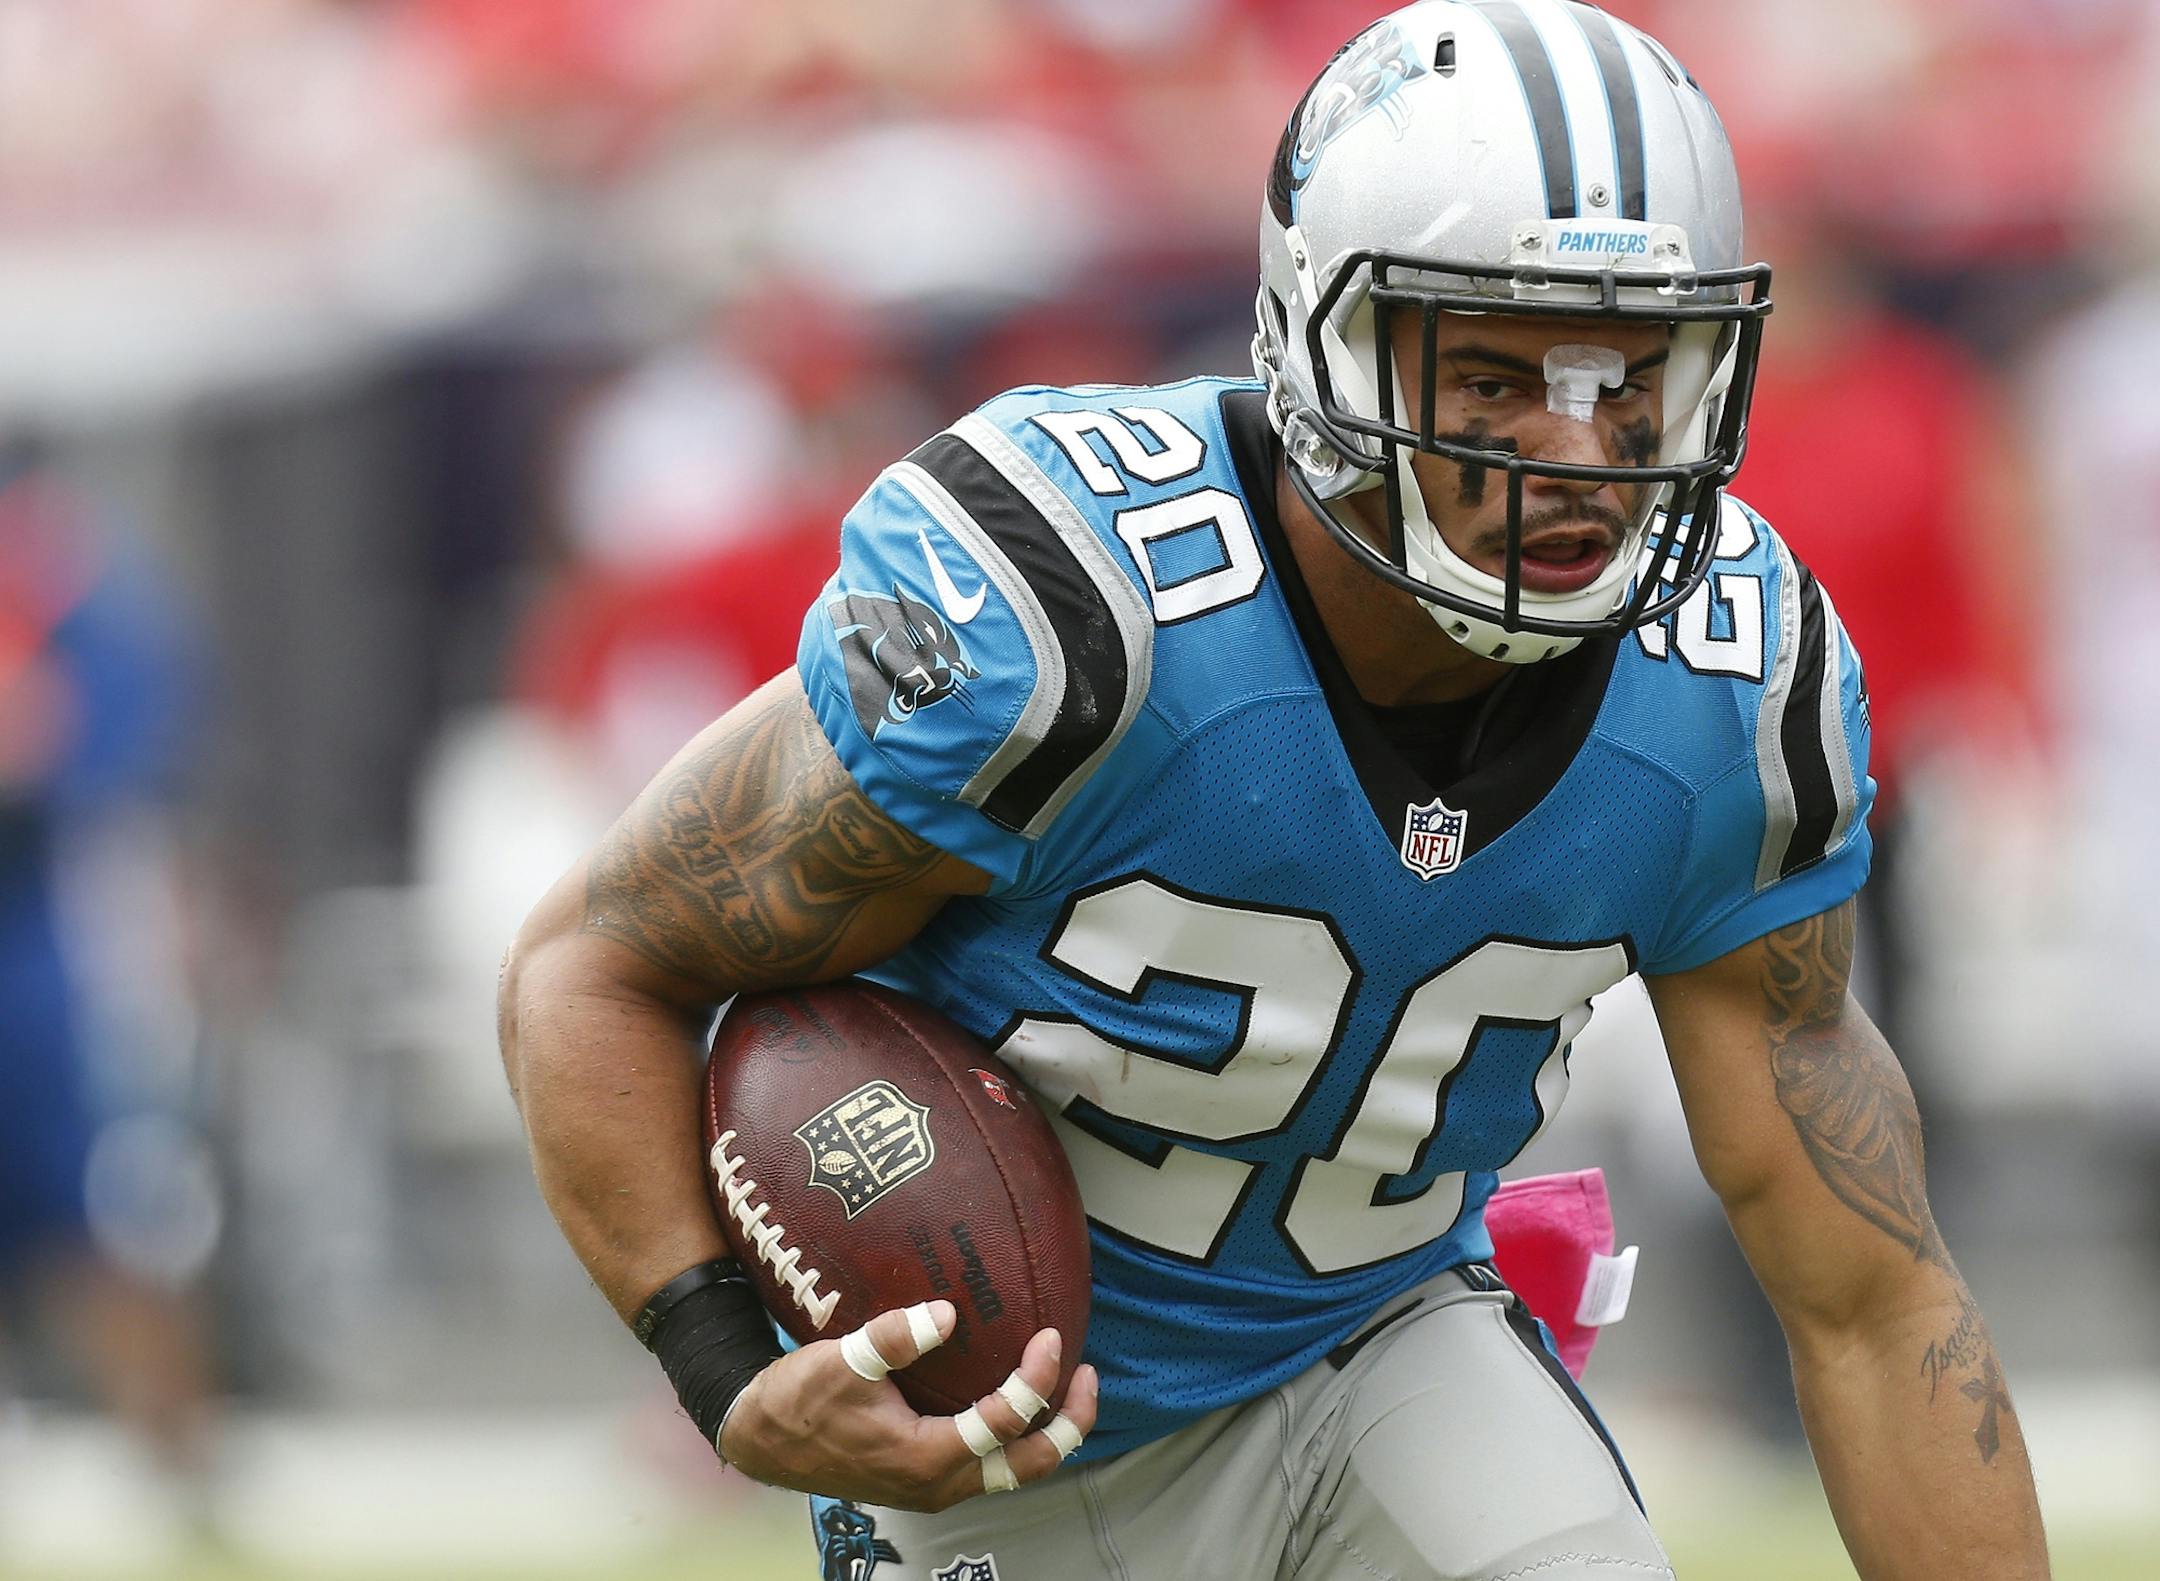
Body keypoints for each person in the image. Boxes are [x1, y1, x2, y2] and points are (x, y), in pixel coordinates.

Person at [498, 4, 2052, 1577]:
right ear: (1325, 342)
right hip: (1019, 1435)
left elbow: (1873, 1296)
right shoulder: (1073, 623)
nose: (1576, 449)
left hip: (1389, 1338)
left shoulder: (1731, 689)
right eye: (1496, 373)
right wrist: (721, 1363)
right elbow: (595, 962)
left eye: (1632, 370)